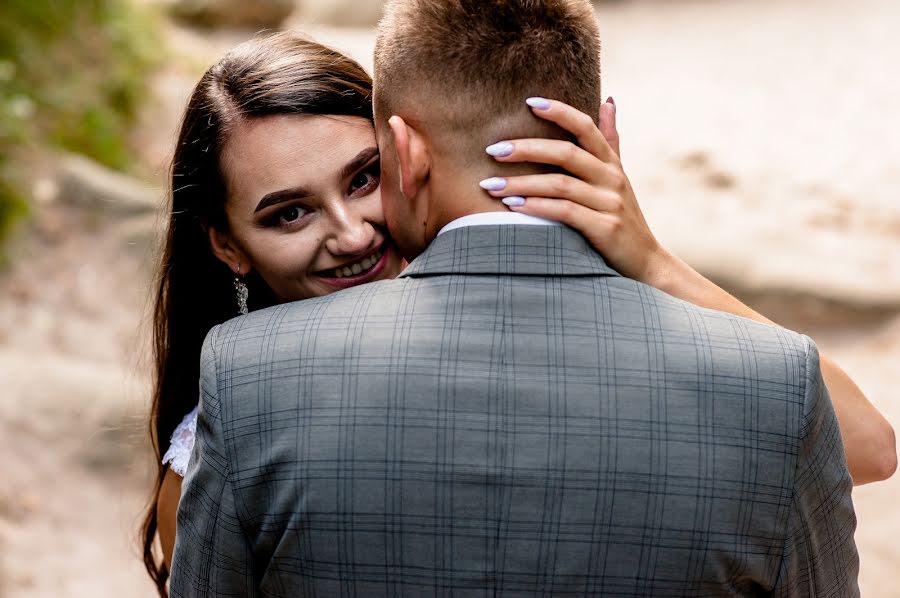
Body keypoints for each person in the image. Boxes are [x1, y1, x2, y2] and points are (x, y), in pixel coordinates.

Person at [163, 1, 877, 594]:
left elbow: (867, 445)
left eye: (362, 178)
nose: (351, 234)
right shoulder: (235, 400)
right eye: (289, 213)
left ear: (405, 157)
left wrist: (650, 261)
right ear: (225, 243)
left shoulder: (244, 376)